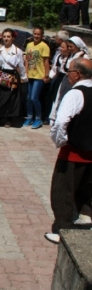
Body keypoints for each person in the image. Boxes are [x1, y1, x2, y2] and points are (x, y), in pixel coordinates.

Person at [45, 58, 92, 244]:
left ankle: (62, 228)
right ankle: (86, 216)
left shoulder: (75, 94)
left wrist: (60, 141)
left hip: (73, 152)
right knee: (86, 188)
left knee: (62, 190)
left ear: (77, 74)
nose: (68, 74)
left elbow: (62, 121)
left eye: (69, 71)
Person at [0, 29, 28, 127]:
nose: (6, 39)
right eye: (4, 36)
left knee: (11, 98)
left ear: (12, 38)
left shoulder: (18, 51)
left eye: (8, 37)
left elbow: (21, 66)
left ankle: (9, 119)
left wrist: (24, 78)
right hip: (2, 75)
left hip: (12, 75)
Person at [23, 26, 50, 129]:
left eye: (38, 34)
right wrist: (25, 72)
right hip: (30, 75)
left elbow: (46, 62)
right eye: (35, 34)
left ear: (42, 35)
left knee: (34, 98)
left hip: (39, 75)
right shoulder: (29, 45)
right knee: (28, 98)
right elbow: (27, 60)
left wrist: (46, 75)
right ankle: (29, 117)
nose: (36, 36)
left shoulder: (44, 46)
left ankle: (38, 119)